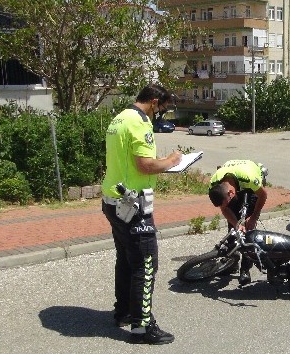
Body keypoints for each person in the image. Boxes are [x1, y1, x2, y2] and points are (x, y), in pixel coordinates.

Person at [101, 84, 181, 345]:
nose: (161, 113)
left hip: (113, 200)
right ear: (154, 101)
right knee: (146, 264)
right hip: (132, 205)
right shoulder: (139, 122)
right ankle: (142, 328)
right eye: (162, 108)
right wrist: (171, 161)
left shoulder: (119, 117)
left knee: (126, 260)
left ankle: (124, 310)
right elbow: (145, 164)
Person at [208, 160, 268, 285]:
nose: (225, 205)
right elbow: (224, 208)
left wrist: (253, 217)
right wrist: (236, 224)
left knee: (248, 230)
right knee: (235, 228)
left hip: (250, 185)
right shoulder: (214, 184)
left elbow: (263, 195)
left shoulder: (249, 178)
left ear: (231, 193)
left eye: (227, 201)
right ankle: (232, 263)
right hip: (235, 184)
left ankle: (245, 269)